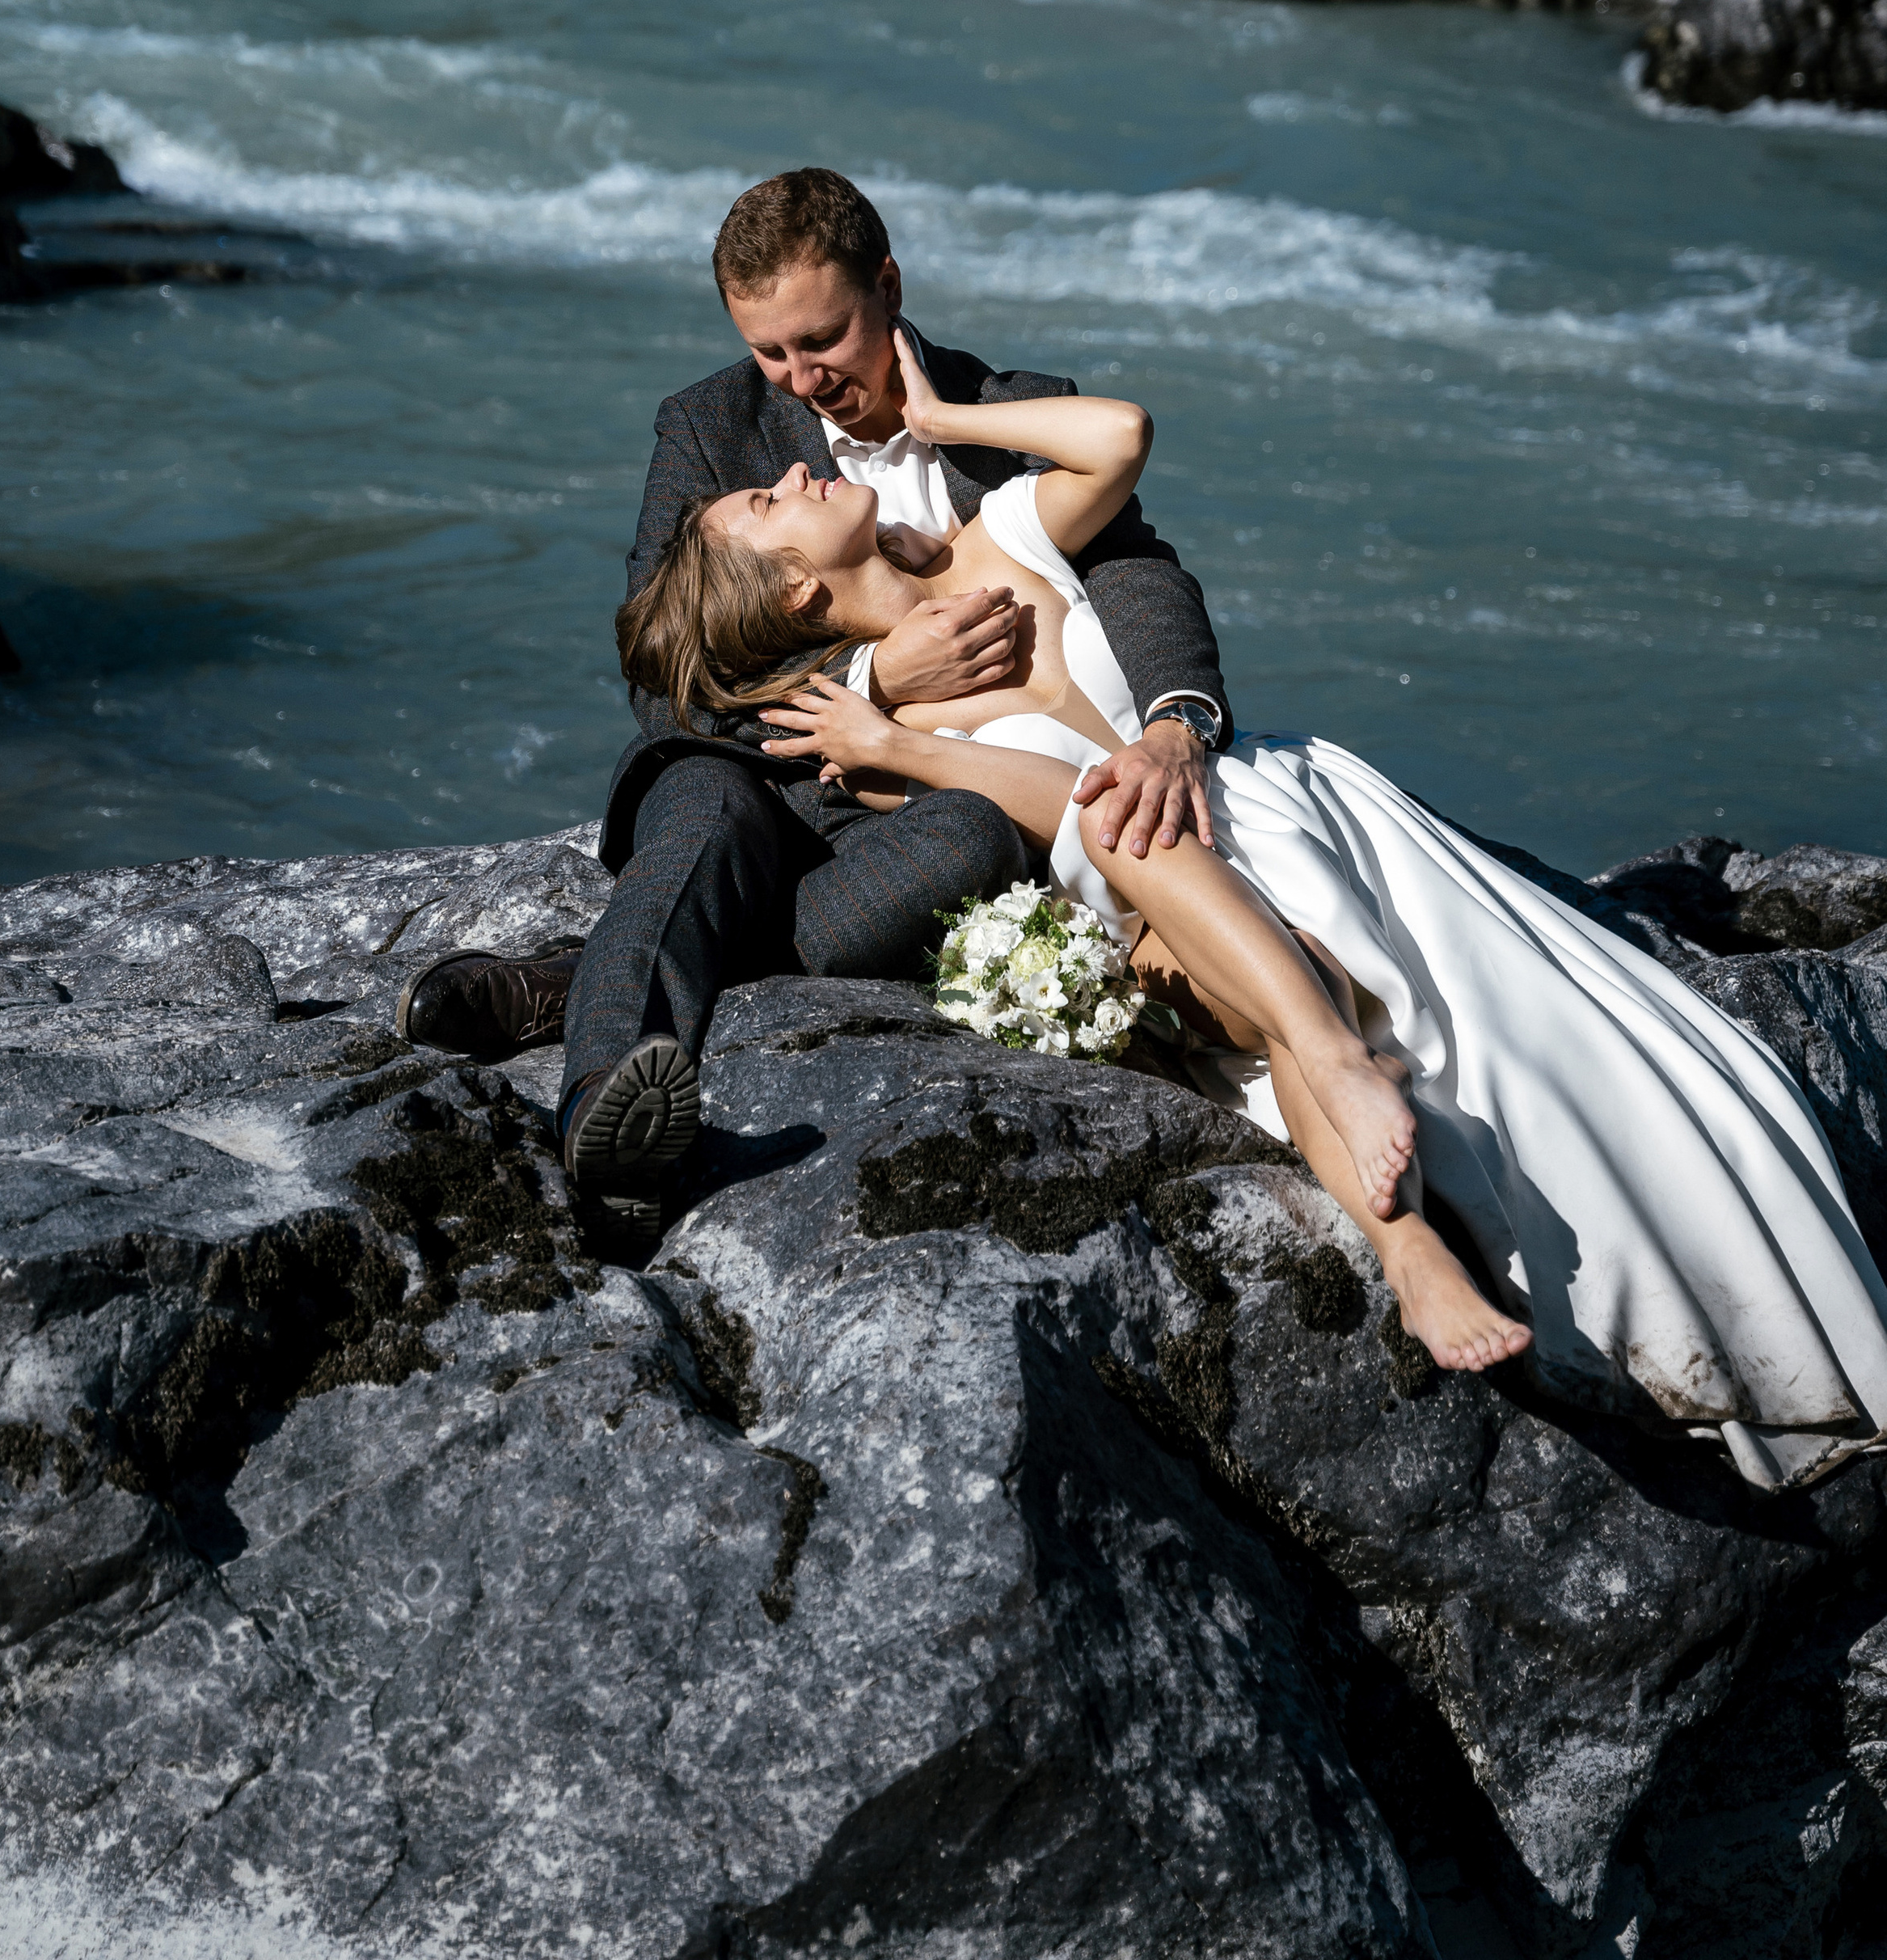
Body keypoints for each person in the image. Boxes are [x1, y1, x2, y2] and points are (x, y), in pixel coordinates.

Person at [621, 325, 1887, 1489]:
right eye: (768, 503)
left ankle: (1369, 1149)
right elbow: (1049, 806)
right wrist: (899, 739)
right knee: (1152, 862)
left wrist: (943, 418)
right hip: (1146, 880)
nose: (793, 471)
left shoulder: (997, 533)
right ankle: (1409, 1245)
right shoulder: (866, 738)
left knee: (1243, 920)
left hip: (1256, 805)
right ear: (797, 594)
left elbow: (1118, 435)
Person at [398, 168, 1235, 1218]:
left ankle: (582, 978)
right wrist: (873, 680)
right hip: (754, 772)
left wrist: (1179, 720)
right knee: (702, 822)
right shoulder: (708, 428)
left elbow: (1135, 572)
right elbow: (664, 673)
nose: (798, 379)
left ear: (887, 285)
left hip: (930, 794)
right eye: (769, 351)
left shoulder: (1008, 408)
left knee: (977, 838)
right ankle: (603, 1100)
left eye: (823, 339)